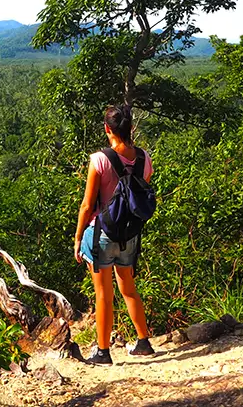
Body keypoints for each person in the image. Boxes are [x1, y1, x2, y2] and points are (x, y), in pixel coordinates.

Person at [74, 105, 155, 365]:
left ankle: (102, 352)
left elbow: (87, 205)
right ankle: (143, 342)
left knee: (103, 295)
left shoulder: (99, 160)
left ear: (107, 128)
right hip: (129, 234)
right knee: (128, 289)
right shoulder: (144, 158)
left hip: (101, 232)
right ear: (129, 127)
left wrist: (77, 238)